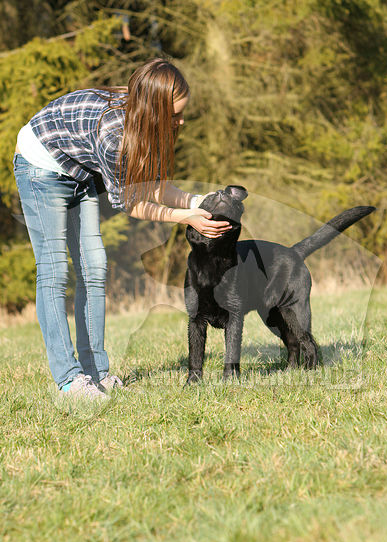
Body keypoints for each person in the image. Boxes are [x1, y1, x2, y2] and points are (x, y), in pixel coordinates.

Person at [13, 58, 231, 401]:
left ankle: (97, 373)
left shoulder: (147, 127)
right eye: (175, 114)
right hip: (40, 165)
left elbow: (155, 187)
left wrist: (200, 201)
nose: (181, 120)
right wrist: (184, 217)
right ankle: (69, 381)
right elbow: (133, 204)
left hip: (78, 169)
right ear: (154, 109)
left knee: (94, 266)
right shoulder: (114, 135)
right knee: (54, 270)